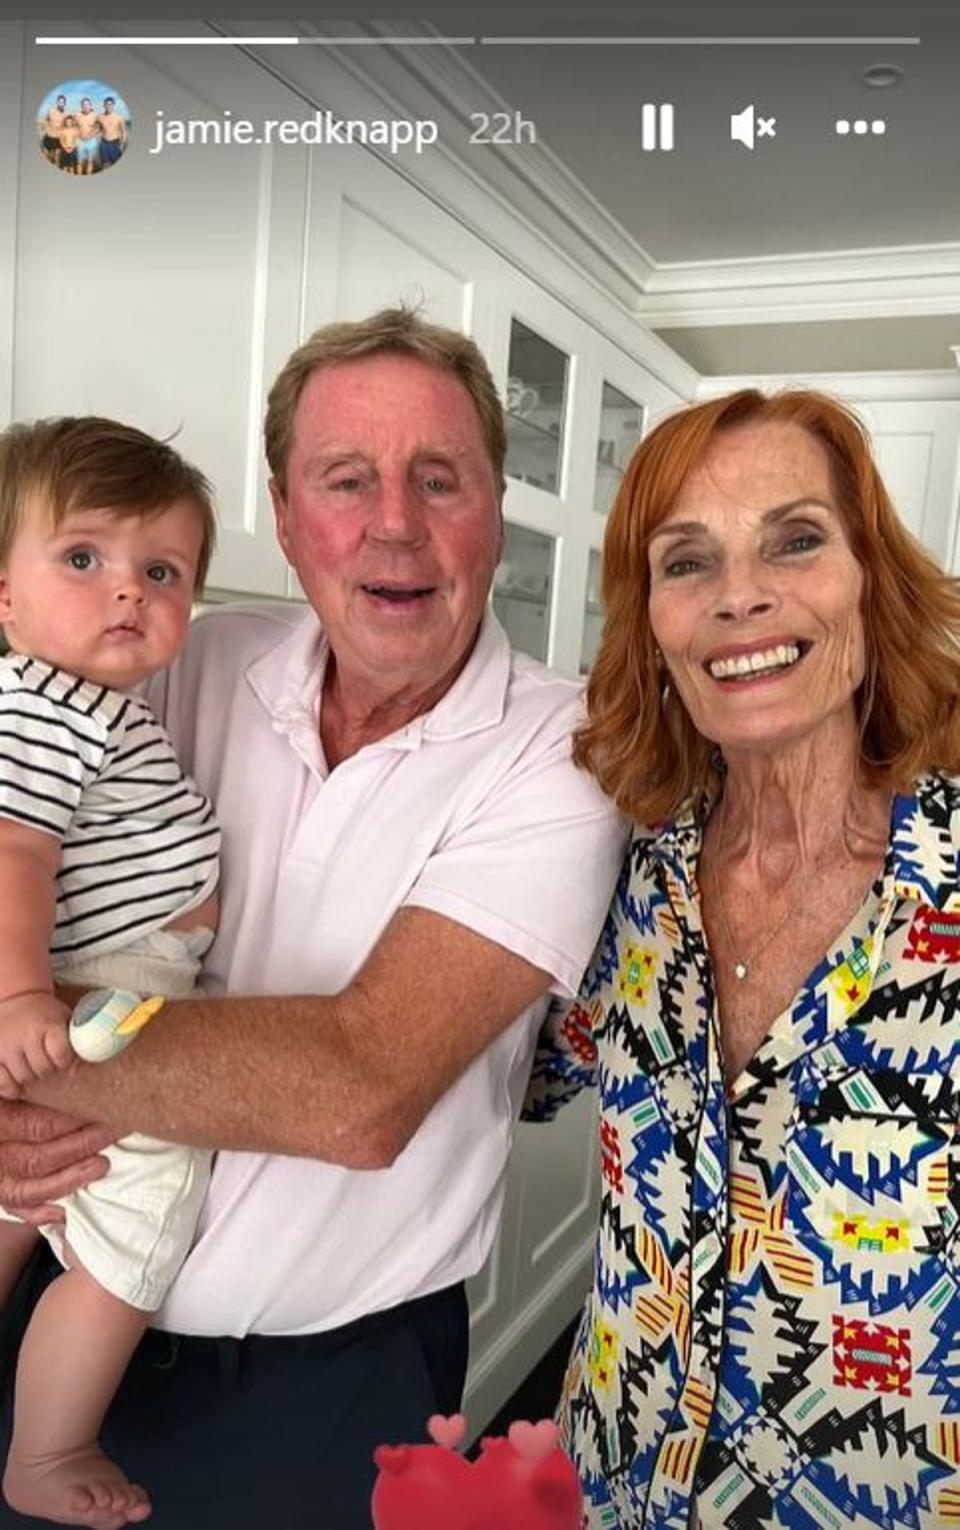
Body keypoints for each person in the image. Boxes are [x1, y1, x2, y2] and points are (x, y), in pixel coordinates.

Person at [0, 309, 626, 1530]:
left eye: (439, 478)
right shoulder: (174, 652)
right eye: (347, 480)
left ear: (495, 508)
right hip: (55, 1326)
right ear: (286, 519)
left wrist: (32, 1053)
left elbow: (357, 1091)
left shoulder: (562, 750)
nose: (394, 521)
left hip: (332, 1388)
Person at [524, 387, 960, 1528]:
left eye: (797, 540)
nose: (741, 596)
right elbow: (511, 1075)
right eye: (687, 563)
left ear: (872, 580)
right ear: (654, 625)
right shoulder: (630, 879)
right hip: (616, 1485)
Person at [0, 419, 220, 1530]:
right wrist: (16, 998)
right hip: (97, 986)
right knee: (142, 1197)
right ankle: (47, 1449)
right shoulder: (42, 708)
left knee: (15, 1194)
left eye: (162, 571)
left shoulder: (85, 705)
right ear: (2, 594)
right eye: (83, 559)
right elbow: (10, 854)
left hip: (89, 978)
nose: (126, 591)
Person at [97, 100, 126, 168]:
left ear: (113, 106)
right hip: (104, 143)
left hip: (115, 143)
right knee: (104, 165)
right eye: (107, 104)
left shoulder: (119, 118)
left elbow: (123, 131)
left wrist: (122, 144)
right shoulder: (100, 117)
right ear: (104, 106)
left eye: (110, 104)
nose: (108, 106)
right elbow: (98, 129)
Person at [74, 100, 99, 176]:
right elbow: (73, 126)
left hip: (91, 141)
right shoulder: (77, 115)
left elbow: (99, 127)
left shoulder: (95, 115)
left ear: (90, 106)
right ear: (81, 106)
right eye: (84, 105)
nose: (86, 106)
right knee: (79, 162)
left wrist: (92, 134)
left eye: (87, 105)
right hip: (80, 141)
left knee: (90, 161)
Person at [38, 96, 66, 164]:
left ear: (64, 103)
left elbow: (68, 125)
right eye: (59, 102)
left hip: (58, 138)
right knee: (47, 158)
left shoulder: (66, 114)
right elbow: (45, 120)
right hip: (49, 137)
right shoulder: (51, 111)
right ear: (57, 102)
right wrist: (43, 127)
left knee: (57, 159)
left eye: (62, 102)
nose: (61, 103)